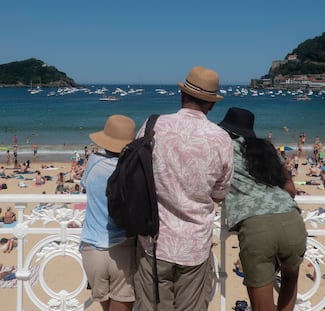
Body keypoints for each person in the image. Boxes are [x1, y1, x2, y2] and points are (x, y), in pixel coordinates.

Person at [134, 66, 234, 311]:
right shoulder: (221, 138)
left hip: (153, 240)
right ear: (211, 104)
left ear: (182, 95)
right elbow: (220, 193)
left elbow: (135, 172)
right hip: (194, 244)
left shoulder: (153, 125)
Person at [219, 107, 307, 311]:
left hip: (256, 226)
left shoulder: (223, 149)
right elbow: (290, 189)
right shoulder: (265, 150)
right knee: (289, 279)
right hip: (291, 219)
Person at [79, 114, 137, 311]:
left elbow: (84, 185)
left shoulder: (93, 162)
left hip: (92, 249)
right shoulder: (132, 169)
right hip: (123, 248)